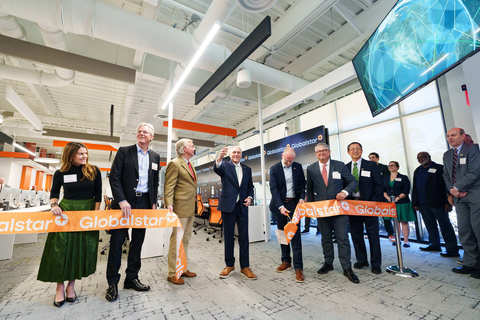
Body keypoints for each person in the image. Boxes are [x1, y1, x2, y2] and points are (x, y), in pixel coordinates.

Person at [37, 142, 102, 307]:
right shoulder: (61, 173)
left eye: (86, 153)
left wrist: (94, 216)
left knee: (79, 250)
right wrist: (54, 205)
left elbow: (98, 196)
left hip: (86, 213)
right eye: (81, 154)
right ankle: (59, 287)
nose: (85, 156)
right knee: (60, 250)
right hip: (66, 213)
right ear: (71, 155)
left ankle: (71, 286)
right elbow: (54, 193)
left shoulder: (94, 171)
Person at [106, 123, 160, 301]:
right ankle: (112, 282)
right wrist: (121, 200)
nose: (141, 134)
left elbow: (154, 182)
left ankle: (131, 278)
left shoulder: (155, 156)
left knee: (138, 242)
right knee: (117, 241)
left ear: (151, 137)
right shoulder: (124, 151)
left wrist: (153, 202)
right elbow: (114, 177)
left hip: (144, 203)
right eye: (139, 131)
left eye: (145, 132)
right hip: (124, 203)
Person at [306, 142, 359, 284]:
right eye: (318, 152)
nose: (321, 153)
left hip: (339, 208)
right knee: (325, 238)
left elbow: (353, 182)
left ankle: (347, 268)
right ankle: (328, 263)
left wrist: (344, 192)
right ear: (316, 154)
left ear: (329, 152)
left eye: (324, 150)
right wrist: (311, 207)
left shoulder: (339, 165)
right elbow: (309, 189)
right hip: (321, 209)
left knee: (342, 238)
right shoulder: (310, 169)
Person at [214, 146, 256, 279]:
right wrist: (219, 157)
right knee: (229, 236)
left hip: (242, 207)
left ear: (241, 154)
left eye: (238, 152)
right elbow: (217, 168)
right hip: (228, 206)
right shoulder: (225, 166)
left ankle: (245, 267)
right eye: (234, 152)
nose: (236, 154)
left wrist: (250, 197)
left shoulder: (247, 169)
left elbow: (250, 187)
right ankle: (229, 265)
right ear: (230, 154)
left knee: (244, 238)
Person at [443, 127, 480, 279]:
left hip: (474, 195)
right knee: (465, 231)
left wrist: (458, 188)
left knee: (478, 229)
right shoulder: (447, 154)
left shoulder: (473, 149)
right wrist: (453, 190)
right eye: (448, 136)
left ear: (463, 136)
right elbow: (446, 174)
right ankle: (471, 263)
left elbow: (475, 172)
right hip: (459, 198)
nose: (450, 138)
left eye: (453, 135)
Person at [269, 147, 306, 283]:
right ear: (282, 155)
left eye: (291, 160)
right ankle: (286, 261)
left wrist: (302, 197)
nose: (289, 163)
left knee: (295, 235)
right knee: (283, 234)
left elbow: (302, 184)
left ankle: (298, 267)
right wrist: (281, 207)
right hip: (280, 205)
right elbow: (274, 189)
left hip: (294, 204)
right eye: (287, 160)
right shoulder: (274, 169)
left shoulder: (298, 167)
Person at [345, 142, 383, 274]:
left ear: (361, 151)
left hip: (369, 205)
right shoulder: (346, 167)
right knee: (356, 234)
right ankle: (362, 260)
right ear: (348, 152)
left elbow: (379, 184)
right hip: (352, 205)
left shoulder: (371, 165)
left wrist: (374, 202)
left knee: (373, 235)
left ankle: (376, 263)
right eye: (352, 149)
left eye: (357, 149)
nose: (355, 151)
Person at [412, 152, 459, 257]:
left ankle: (452, 249)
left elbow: (447, 185)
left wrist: (448, 202)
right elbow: (415, 187)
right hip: (422, 203)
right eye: (418, 157)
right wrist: (415, 202)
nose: (420, 159)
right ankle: (434, 244)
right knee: (430, 225)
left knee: (445, 226)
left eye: (423, 157)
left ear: (429, 157)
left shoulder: (440, 168)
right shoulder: (417, 170)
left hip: (438, 203)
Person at [164, 139, 198, 285]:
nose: (194, 147)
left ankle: (182, 268)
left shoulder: (190, 164)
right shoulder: (175, 163)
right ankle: (172, 273)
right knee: (176, 241)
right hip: (180, 208)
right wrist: (169, 205)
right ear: (184, 149)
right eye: (192, 146)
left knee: (186, 240)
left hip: (190, 208)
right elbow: (169, 186)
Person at [383, 161, 416, 247]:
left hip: (402, 202)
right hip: (390, 203)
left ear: (397, 167)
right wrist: (388, 198)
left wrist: (397, 198)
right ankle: (397, 239)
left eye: (393, 165)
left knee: (404, 222)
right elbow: (383, 190)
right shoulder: (385, 178)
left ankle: (406, 241)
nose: (390, 167)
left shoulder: (404, 177)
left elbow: (406, 190)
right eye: (389, 165)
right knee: (395, 222)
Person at [369, 152, 395, 241]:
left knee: (385, 215)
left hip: (383, 194)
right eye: (370, 158)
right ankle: (373, 232)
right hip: (372, 194)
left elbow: (387, 180)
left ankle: (390, 233)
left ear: (378, 158)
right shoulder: (368, 168)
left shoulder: (383, 168)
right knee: (372, 215)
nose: (371, 159)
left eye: (373, 157)